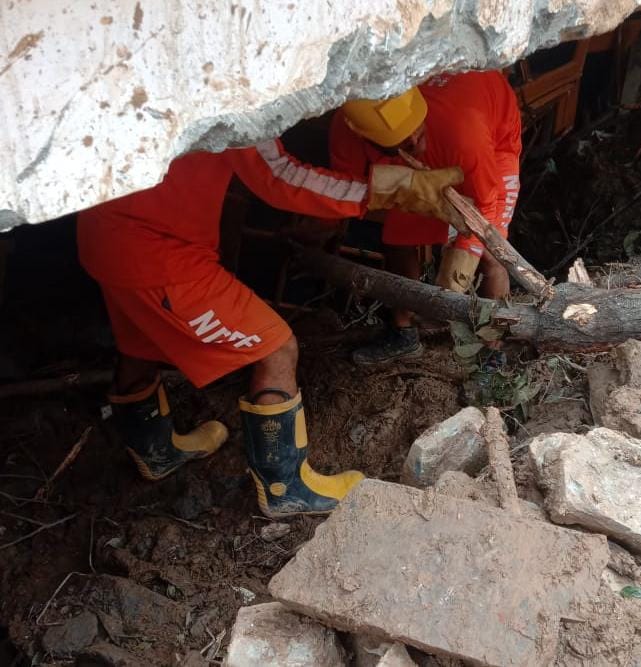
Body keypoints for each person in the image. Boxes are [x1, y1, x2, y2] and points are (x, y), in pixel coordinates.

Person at [77, 138, 462, 518]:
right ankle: (286, 489)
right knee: (276, 348)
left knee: (141, 341)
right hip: (161, 256)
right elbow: (279, 176)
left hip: (106, 235)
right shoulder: (234, 97)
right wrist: (387, 189)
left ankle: (155, 451)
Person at [329, 71, 522, 364]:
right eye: (407, 144)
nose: (418, 146)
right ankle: (403, 334)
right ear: (365, 138)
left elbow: (485, 205)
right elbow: (342, 188)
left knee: (493, 255)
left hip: (491, 146)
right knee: (396, 239)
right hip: (438, 147)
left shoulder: (464, 131)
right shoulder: (348, 129)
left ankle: (491, 352)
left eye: (418, 132)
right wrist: (324, 226)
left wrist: (452, 284)